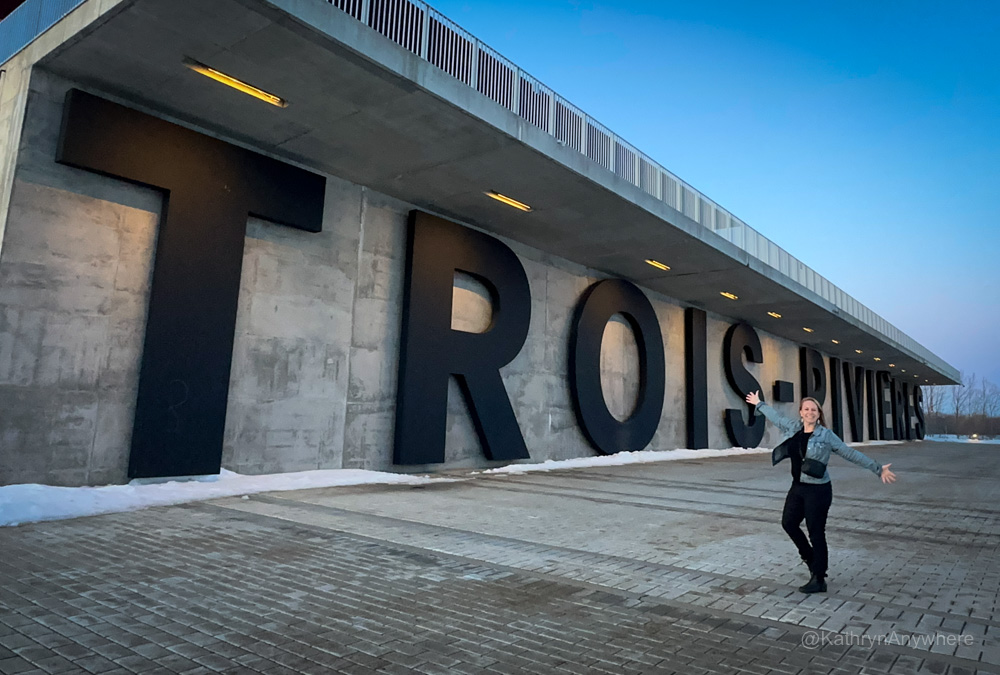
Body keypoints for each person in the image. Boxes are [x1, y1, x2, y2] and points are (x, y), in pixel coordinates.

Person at [744, 390, 896, 594]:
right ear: (800, 412)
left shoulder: (826, 435)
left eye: (813, 409)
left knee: (816, 532)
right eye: (806, 409)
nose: (810, 412)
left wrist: (878, 469)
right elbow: (777, 418)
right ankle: (811, 560)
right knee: (788, 523)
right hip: (798, 487)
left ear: (819, 413)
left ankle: (819, 578)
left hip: (818, 491)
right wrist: (759, 404)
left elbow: (849, 453)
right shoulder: (794, 427)